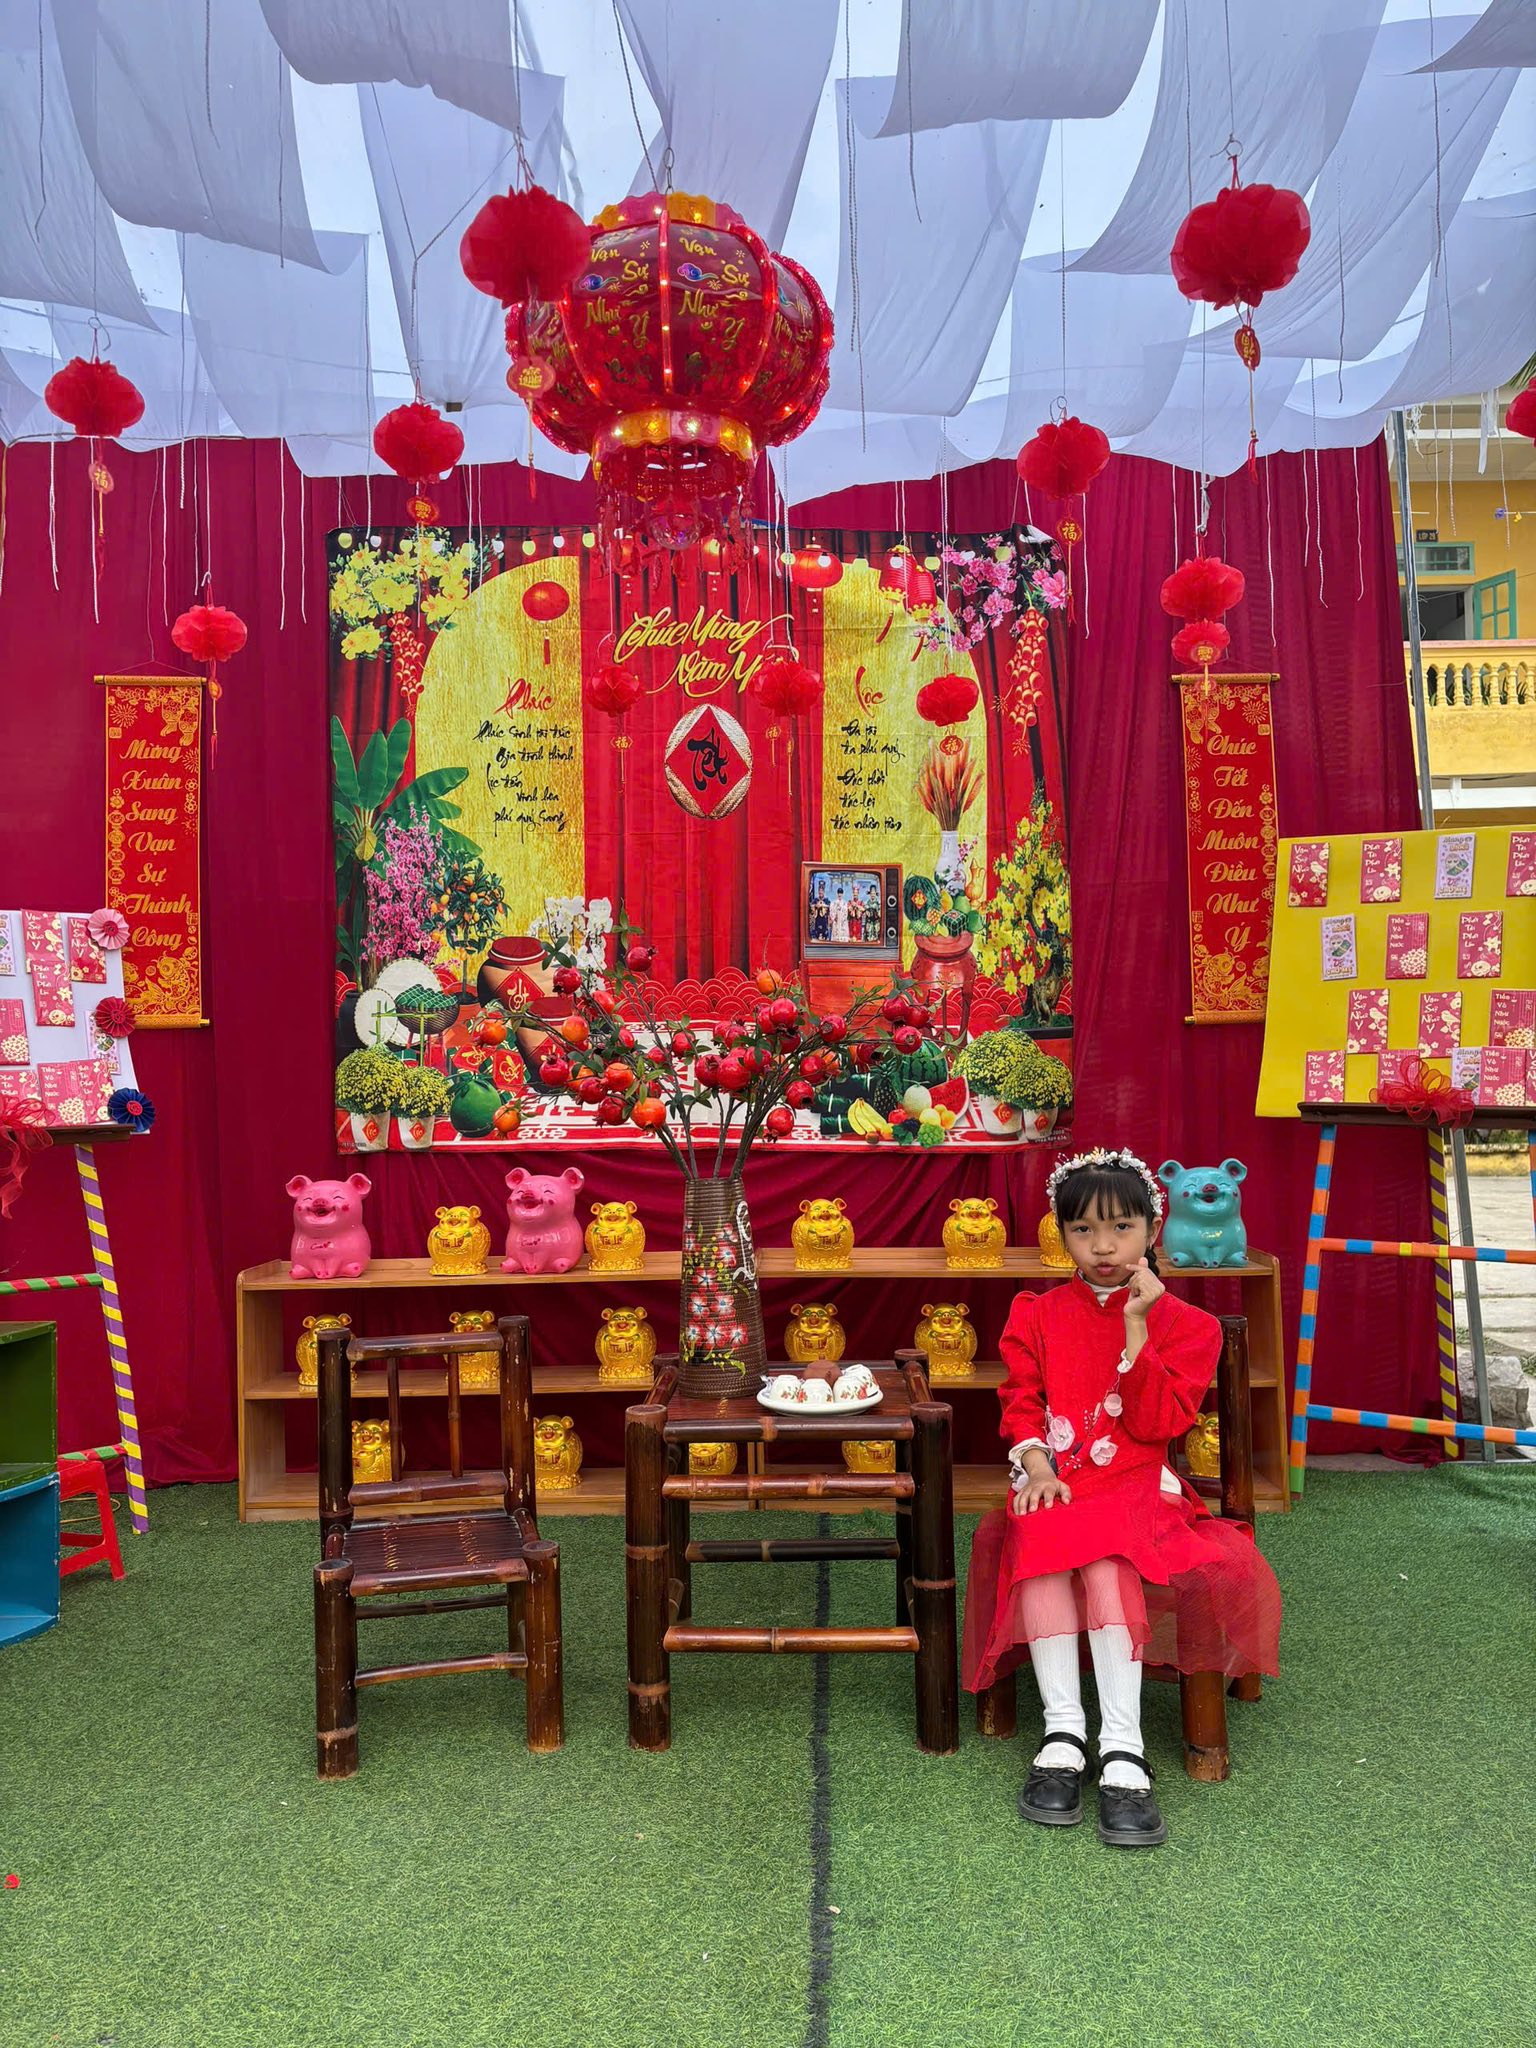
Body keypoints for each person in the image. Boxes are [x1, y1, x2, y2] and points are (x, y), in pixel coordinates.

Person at [961, 1147, 1281, 1848]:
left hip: (1138, 1484)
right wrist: (1037, 1467)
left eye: (1122, 1228)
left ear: (1152, 1229)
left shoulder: (1190, 1326)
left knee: (1106, 1560)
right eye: (1083, 1230)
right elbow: (1020, 1405)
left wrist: (1137, 1328)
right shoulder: (1036, 1314)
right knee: (1041, 1538)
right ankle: (1063, 1735)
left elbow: (1157, 1425)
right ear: (1062, 1234)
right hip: (1055, 1477)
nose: (1103, 1247)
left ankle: (1123, 1749)